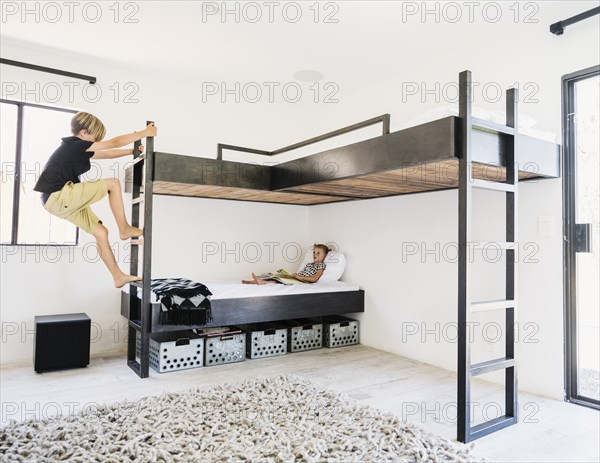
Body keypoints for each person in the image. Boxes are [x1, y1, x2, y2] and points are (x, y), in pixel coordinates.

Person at [33, 112, 157, 288]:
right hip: (59, 195)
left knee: (101, 232)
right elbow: (112, 143)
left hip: (54, 202)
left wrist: (131, 151)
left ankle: (118, 276)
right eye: (94, 138)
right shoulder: (75, 145)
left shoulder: (77, 150)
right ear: (83, 133)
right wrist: (144, 132)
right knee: (113, 184)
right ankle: (124, 228)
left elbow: (107, 154)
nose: (96, 142)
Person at [242, 244, 330, 285]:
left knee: (279, 280)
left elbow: (314, 279)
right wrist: (296, 276)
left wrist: (300, 277)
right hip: (297, 278)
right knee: (274, 276)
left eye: (318, 253)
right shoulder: (309, 264)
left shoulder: (320, 265)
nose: (315, 255)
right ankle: (252, 282)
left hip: (303, 281)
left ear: (325, 255)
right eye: (314, 252)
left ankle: (261, 282)